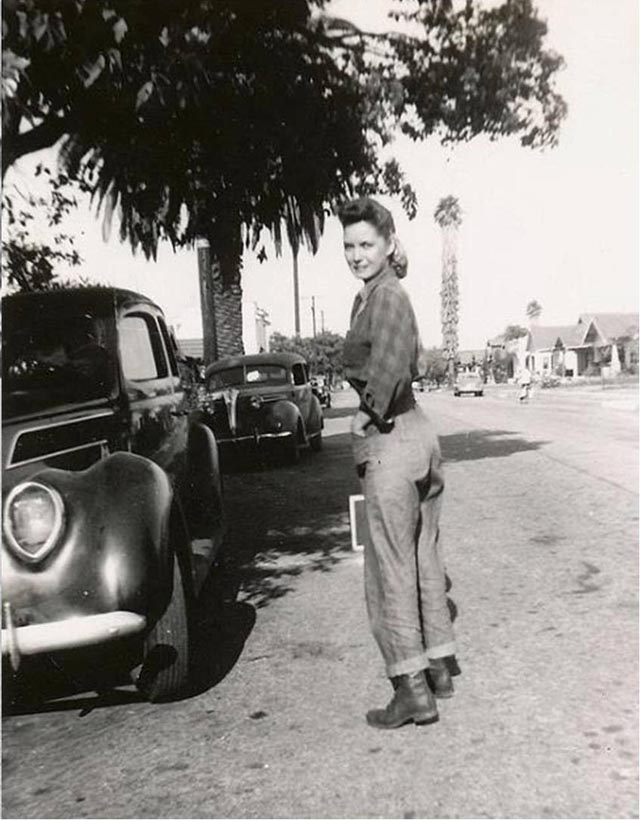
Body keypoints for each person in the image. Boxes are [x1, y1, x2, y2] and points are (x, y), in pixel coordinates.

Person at [340, 196, 458, 730]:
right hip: (418, 433)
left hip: (392, 438)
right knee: (422, 555)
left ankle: (411, 690)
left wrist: (362, 417)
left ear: (389, 244)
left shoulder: (384, 296)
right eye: (349, 246)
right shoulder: (380, 293)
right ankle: (438, 668)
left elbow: (387, 371)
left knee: (387, 568)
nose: (357, 254)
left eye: (367, 244)